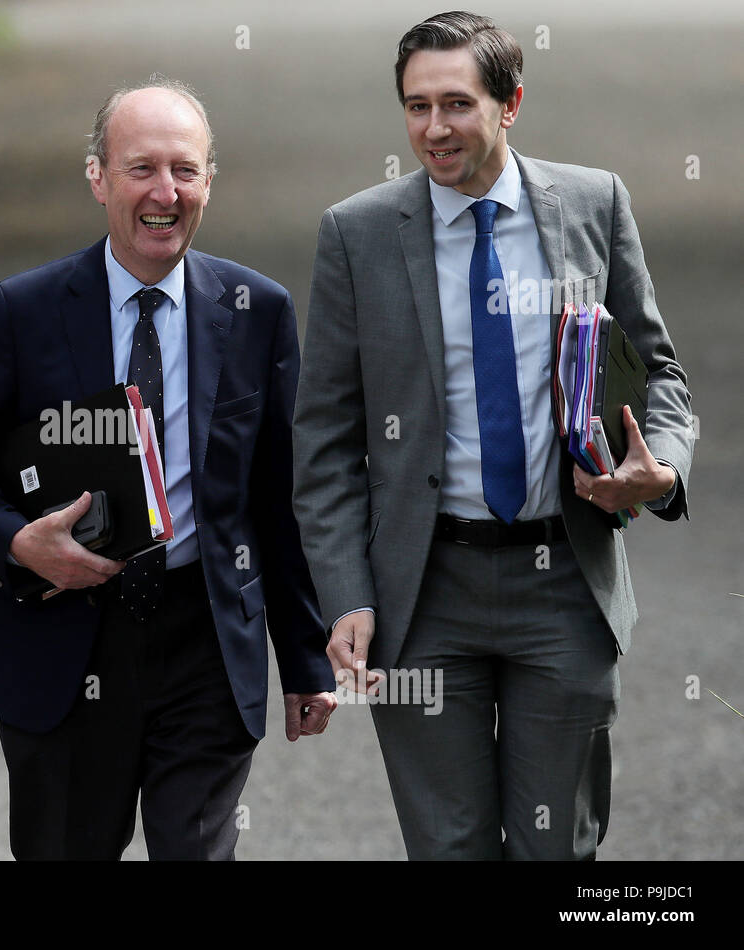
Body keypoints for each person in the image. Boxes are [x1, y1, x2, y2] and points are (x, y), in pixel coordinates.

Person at [292, 11, 693, 859]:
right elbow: (324, 440)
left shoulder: (592, 203)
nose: (434, 129)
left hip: (566, 586)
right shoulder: (356, 235)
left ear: (510, 103)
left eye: (457, 104)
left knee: (559, 849)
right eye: (415, 106)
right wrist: (347, 594)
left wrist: (658, 470)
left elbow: (660, 374)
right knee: (450, 847)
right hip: (423, 594)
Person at [0, 76, 337, 861]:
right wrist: (20, 545)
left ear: (209, 181)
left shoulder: (260, 311)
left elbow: (281, 498)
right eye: (141, 168)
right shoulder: (23, 310)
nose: (166, 192)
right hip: (67, 639)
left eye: (185, 170)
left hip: (207, 642)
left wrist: (305, 656)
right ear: (98, 177)